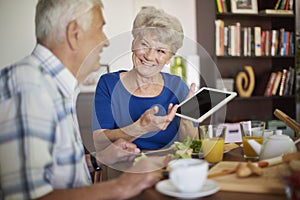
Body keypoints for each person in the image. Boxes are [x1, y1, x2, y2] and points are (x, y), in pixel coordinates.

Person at [0, 1, 163, 199]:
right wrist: (121, 186)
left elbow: (58, 173)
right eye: (100, 28)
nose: (105, 41)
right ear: (74, 33)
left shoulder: (52, 87)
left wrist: (99, 159)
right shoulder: (29, 87)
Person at [93, 7, 197, 151]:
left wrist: (186, 121)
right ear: (133, 43)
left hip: (169, 168)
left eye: (161, 51)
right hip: (124, 167)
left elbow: (193, 146)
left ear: (169, 58)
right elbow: (99, 141)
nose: (149, 56)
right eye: (144, 45)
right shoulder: (109, 83)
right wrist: (140, 127)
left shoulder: (178, 86)